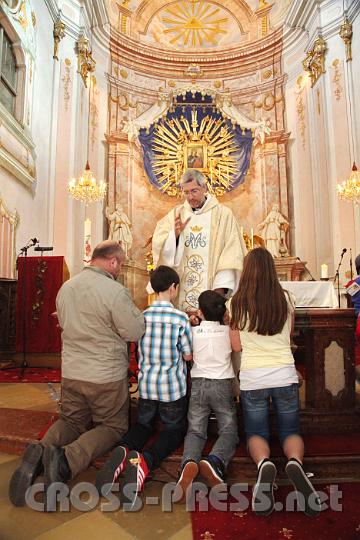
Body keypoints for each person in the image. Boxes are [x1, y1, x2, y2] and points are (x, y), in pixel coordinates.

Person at [9, 241, 145, 509]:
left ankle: (39, 453)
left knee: (71, 421)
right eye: (121, 264)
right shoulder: (115, 292)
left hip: (72, 371)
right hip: (104, 375)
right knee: (112, 426)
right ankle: (66, 461)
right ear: (113, 262)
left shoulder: (66, 287)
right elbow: (134, 332)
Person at [230, 247, 321, 517]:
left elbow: (235, 345)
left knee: (256, 433)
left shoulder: (235, 302)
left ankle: (264, 464)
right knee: (291, 429)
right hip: (284, 373)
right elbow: (289, 336)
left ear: (246, 271)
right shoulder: (286, 299)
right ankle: (294, 462)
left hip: (253, 376)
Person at [96, 265, 192, 509]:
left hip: (147, 385)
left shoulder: (142, 316)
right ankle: (145, 460)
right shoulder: (180, 318)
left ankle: (123, 449)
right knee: (174, 430)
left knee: (144, 424)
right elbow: (188, 356)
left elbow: (136, 349)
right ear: (173, 288)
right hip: (172, 388)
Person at [175, 290, 241, 501]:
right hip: (222, 385)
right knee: (229, 430)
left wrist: (193, 318)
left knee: (195, 431)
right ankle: (215, 461)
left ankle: (188, 463)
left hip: (199, 384)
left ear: (200, 311)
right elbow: (237, 347)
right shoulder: (227, 332)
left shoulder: (193, 332)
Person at [151, 169, 246, 312]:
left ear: (204, 188)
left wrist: (218, 292)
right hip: (182, 295)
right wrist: (174, 236)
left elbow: (232, 253)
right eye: (186, 192)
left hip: (213, 292)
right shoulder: (177, 214)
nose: (190, 197)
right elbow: (159, 243)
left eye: (194, 191)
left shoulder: (223, 214)